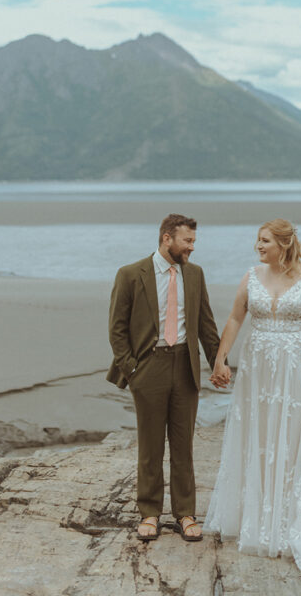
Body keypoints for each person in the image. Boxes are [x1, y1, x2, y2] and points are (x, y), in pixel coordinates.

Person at [204, 219, 301, 576]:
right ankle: (257, 521)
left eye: (264, 241)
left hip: (297, 369)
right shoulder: (250, 276)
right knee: (258, 436)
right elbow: (234, 318)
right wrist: (220, 356)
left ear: (284, 244)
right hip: (258, 369)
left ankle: (290, 522)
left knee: (292, 438)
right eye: (257, 240)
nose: (258, 246)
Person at [106, 213, 223, 543]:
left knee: (184, 445)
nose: (192, 247)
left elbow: (206, 326)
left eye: (194, 241)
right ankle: (149, 513)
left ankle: (186, 514)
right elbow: (117, 329)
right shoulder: (131, 274)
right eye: (187, 241)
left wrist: (218, 363)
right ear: (166, 239)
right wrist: (132, 370)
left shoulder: (195, 275)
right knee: (151, 445)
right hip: (149, 368)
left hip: (185, 366)